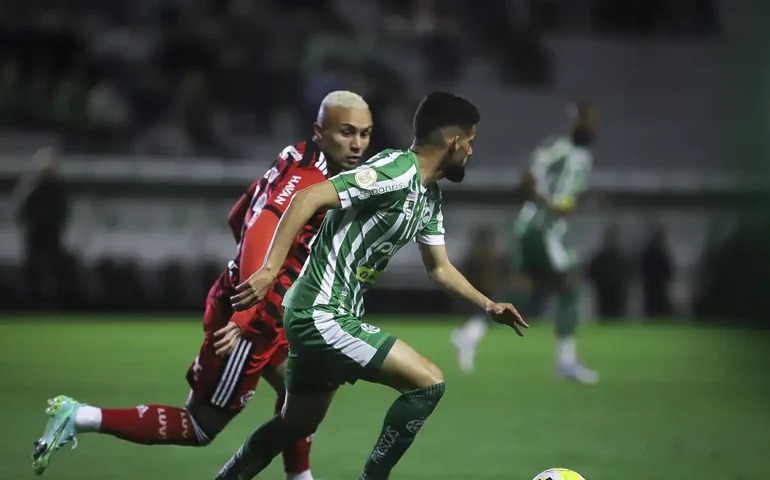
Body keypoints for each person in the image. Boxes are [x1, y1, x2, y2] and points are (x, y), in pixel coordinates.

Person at [30, 91, 374, 480]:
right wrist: (246, 312)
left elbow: (238, 215)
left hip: (272, 314)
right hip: (250, 322)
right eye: (347, 132)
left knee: (303, 394)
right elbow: (259, 229)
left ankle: (300, 476)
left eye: (365, 134)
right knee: (199, 426)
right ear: (320, 131)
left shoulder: (297, 155)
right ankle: (79, 416)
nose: (357, 144)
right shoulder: (310, 180)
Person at [215, 91, 528, 480]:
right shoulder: (396, 171)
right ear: (453, 141)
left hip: (323, 311)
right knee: (428, 383)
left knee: (296, 423)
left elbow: (440, 269)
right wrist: (268, 271)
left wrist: (488, 305)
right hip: (321, 310)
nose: (471, 152)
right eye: (470, 141)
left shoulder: (428, 196)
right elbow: (306, 198)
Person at [453, 101, 599, 384]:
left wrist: (578, 205)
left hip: (551, 229)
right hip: (540, 228)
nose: (593, 126)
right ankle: (566, 361)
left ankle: (469, 334)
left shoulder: (584, 158)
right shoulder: (558, 148)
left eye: (595, 121)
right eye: (588, 119)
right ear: (576, 120)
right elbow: (527, 179)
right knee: (569, 286)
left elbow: (570, 195)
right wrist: (551, 205)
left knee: (521, 290)